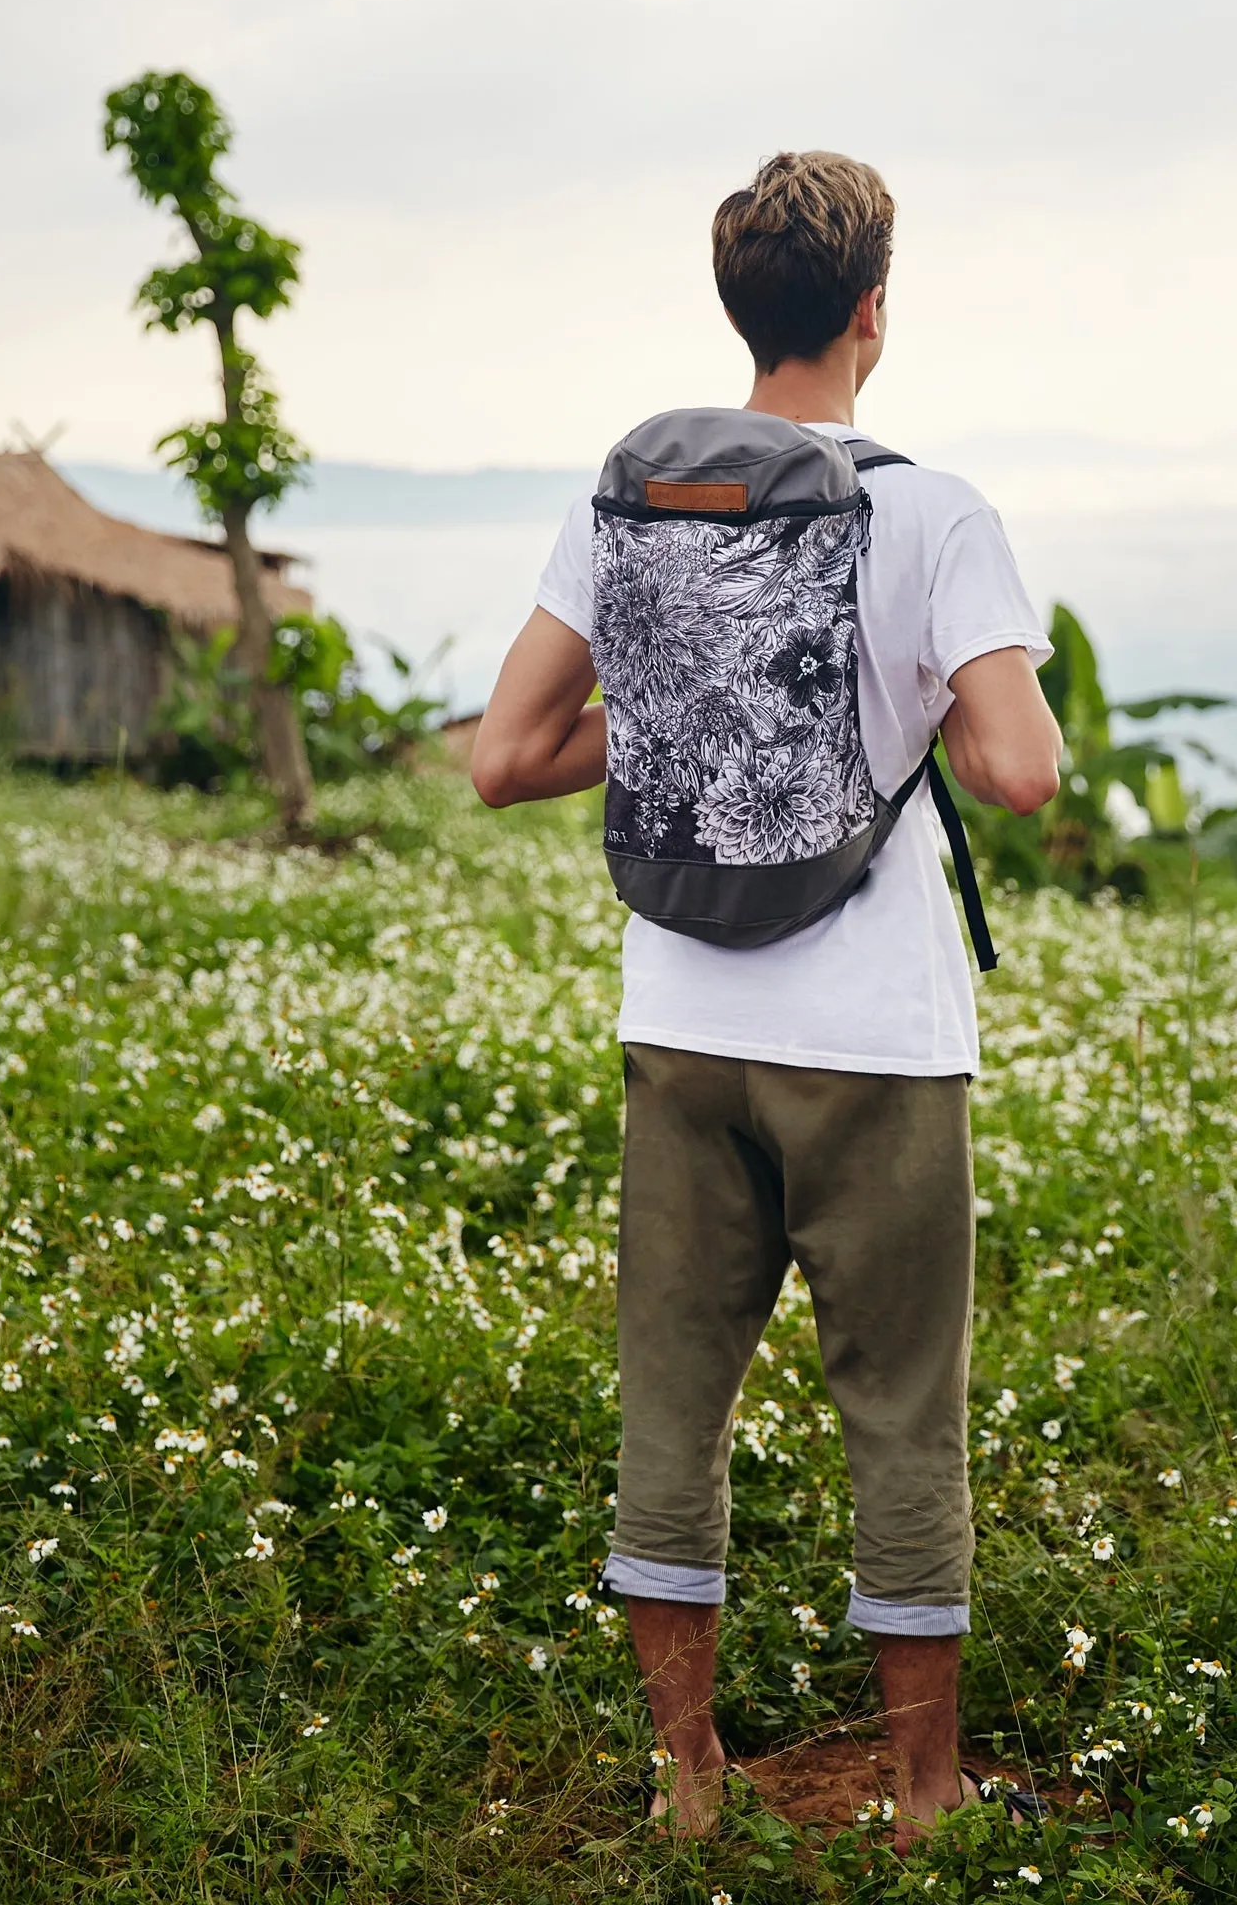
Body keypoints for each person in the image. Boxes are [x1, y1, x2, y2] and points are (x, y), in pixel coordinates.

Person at [471, 151, 1060, 1841]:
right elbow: (1018, 773)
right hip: (874, 1044)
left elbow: (507, 758)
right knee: (900, 1411)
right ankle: (934, 1800)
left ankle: (688, 1789)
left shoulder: (639, 501)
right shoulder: (935, 514)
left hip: (681, 1022)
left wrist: (665, 726)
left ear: (742, 309)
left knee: (673, 1405)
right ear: (874, 310)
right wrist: (934, 704)